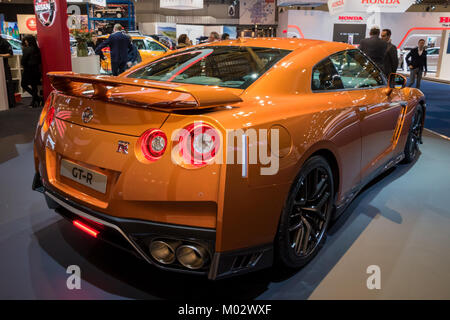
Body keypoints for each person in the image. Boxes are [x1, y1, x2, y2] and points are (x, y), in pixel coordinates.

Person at [21, 35, 42, 108]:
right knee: (34, 86)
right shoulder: (37, 49)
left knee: (23, 84)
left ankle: (37, 98)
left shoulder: (27, 49)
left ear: (28, 41)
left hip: (28, 70)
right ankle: (35, 101)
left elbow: (23, 61)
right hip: (36, 70)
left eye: (26, 40)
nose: (25, 42)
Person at [0, 34, 15, 108]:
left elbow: (10, 54)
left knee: (7, 85)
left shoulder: (4, 42)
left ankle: (10, 102)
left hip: (4, 67)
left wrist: (0, 55)